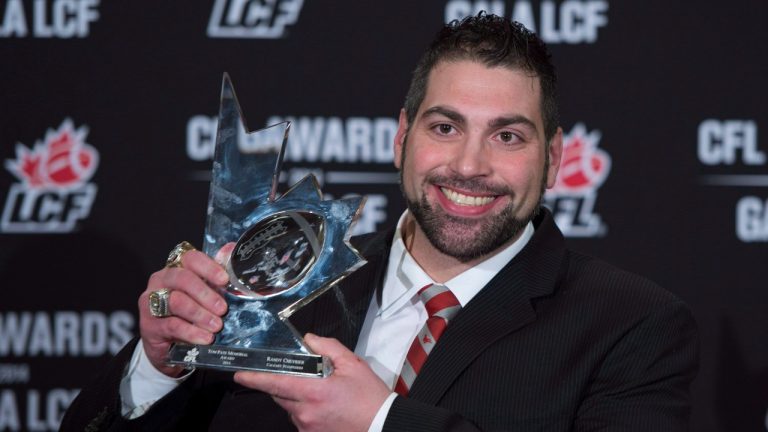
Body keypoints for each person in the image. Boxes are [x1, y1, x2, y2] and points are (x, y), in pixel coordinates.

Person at [61, 13, 698, 431]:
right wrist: (159, 365)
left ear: (553, 157)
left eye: (507, 135)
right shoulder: (275, 283)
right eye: (444, 127)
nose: (469, 165)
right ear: (401, 138)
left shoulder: (632, 326)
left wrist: (382, 422)